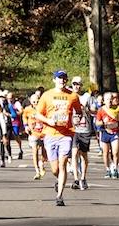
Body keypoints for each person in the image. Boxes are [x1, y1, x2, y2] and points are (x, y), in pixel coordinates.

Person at [34, 70, 83, 206]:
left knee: (62, 165)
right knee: (55, 169)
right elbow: (37, 114)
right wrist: (49, 121)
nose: (62, 81)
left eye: (64, 79)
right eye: (59, 78)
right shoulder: (47, 95)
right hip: (50, 134)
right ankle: (59, 180)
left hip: (66, 134)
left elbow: (79, 112)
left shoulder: (73, 96)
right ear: (54, 80)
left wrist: (77, 119)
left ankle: (59, 196)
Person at [70, 76, 93, 190]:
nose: (76, 86)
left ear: (81, 85)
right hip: (73, 130)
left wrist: (87, 110)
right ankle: (75, 179)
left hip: (85, 129)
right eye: (74, 84)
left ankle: (83, 178)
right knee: (74, 154)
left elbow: (94, 110)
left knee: (83, 156)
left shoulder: (86, 97)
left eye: (78, 84)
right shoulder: (68, 96)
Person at [96, 91, 119, 179]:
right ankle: (108, 169)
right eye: (107, 99)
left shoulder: (118, 108)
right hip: (105, 132)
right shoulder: (101, 110)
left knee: (115, 152)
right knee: (105, 153)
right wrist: (102, 122)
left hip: (114, 133)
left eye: (110, 99)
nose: (109, 101)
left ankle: (115, 169)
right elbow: (97, 123)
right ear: (104, 101)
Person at [22, 93, 47, 179]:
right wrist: (26, 126)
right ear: (30, 101)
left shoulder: (44, 108)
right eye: (34, 101)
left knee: (44, 153)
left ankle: (42, 164)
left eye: (37, 101)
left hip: (43, 132)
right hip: (33, 133)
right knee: (34, 151)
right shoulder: (27, 109)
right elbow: (24, 117)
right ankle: (37, 171)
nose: (36, 103)